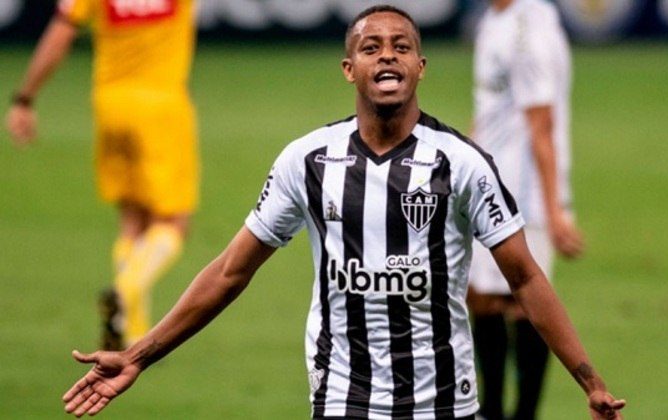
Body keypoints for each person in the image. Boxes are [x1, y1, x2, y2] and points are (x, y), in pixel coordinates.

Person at [61, 5, 624, 419]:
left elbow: (526, 278)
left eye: (401, 46)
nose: (387, 54)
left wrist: (590, 382)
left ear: (421, 66)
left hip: (444, 406)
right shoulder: (307, 161)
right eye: (371, 46)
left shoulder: (462, 163)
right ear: (349, 68)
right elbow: (230, 272)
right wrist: (139, 355)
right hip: (343, 401)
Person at [5, 0, 200, 350]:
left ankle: (133, 333)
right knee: (173, 223)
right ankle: (125, 292)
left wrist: (25, 99)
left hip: (110, 104)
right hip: (161, 106)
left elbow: (61, 32)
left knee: (132, 218)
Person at [468, 0, 585, 419]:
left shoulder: (528, 32)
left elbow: (542, 124)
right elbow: (488, 111)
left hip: (524, 191)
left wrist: (555, 209)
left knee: (524, 302)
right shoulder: (493, 19)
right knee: (481, 295)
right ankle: (492, 409)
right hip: (488, 182)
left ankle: (522, 414)